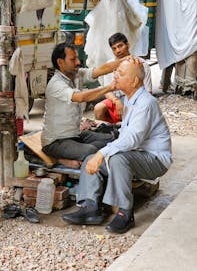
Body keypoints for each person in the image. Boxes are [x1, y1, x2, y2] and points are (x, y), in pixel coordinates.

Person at [62, 58, 172, 234]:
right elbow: (124, 135)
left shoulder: (146, 103)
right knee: (91, 157)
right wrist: (99, 153)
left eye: (120, 73)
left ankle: (124, 212)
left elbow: (133, 139)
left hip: (155, 159)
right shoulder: (129, 98)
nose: (115, 75)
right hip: (136, 154)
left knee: (116, 158)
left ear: (134, 81)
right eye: (116, 71)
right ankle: (90, 207)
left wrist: (103, 153)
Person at [41, 42, 126, 165]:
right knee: (91, 150)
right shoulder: (56, 84)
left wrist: (124, 60)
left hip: (75, 135)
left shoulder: (76, 74)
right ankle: (60, 160)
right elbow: (80, 97)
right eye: (73, 59)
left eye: (77, 58)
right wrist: (110, 87)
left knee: (113, 138)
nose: (77, 62)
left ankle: (76, 155)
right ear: (60, 62)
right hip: (55, 142)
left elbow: (100, 70)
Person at [94, 32, 152, 123]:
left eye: (120, 46)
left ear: (127, 45)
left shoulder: (141, 64)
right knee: (98, 108)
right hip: (116, 100)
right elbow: (107, 91)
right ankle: (106, 132)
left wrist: (131, 103)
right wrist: (116, 101)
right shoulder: (110, 66)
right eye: (114, 48)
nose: (118, 51)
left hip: (136, 100)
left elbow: (148, 92)